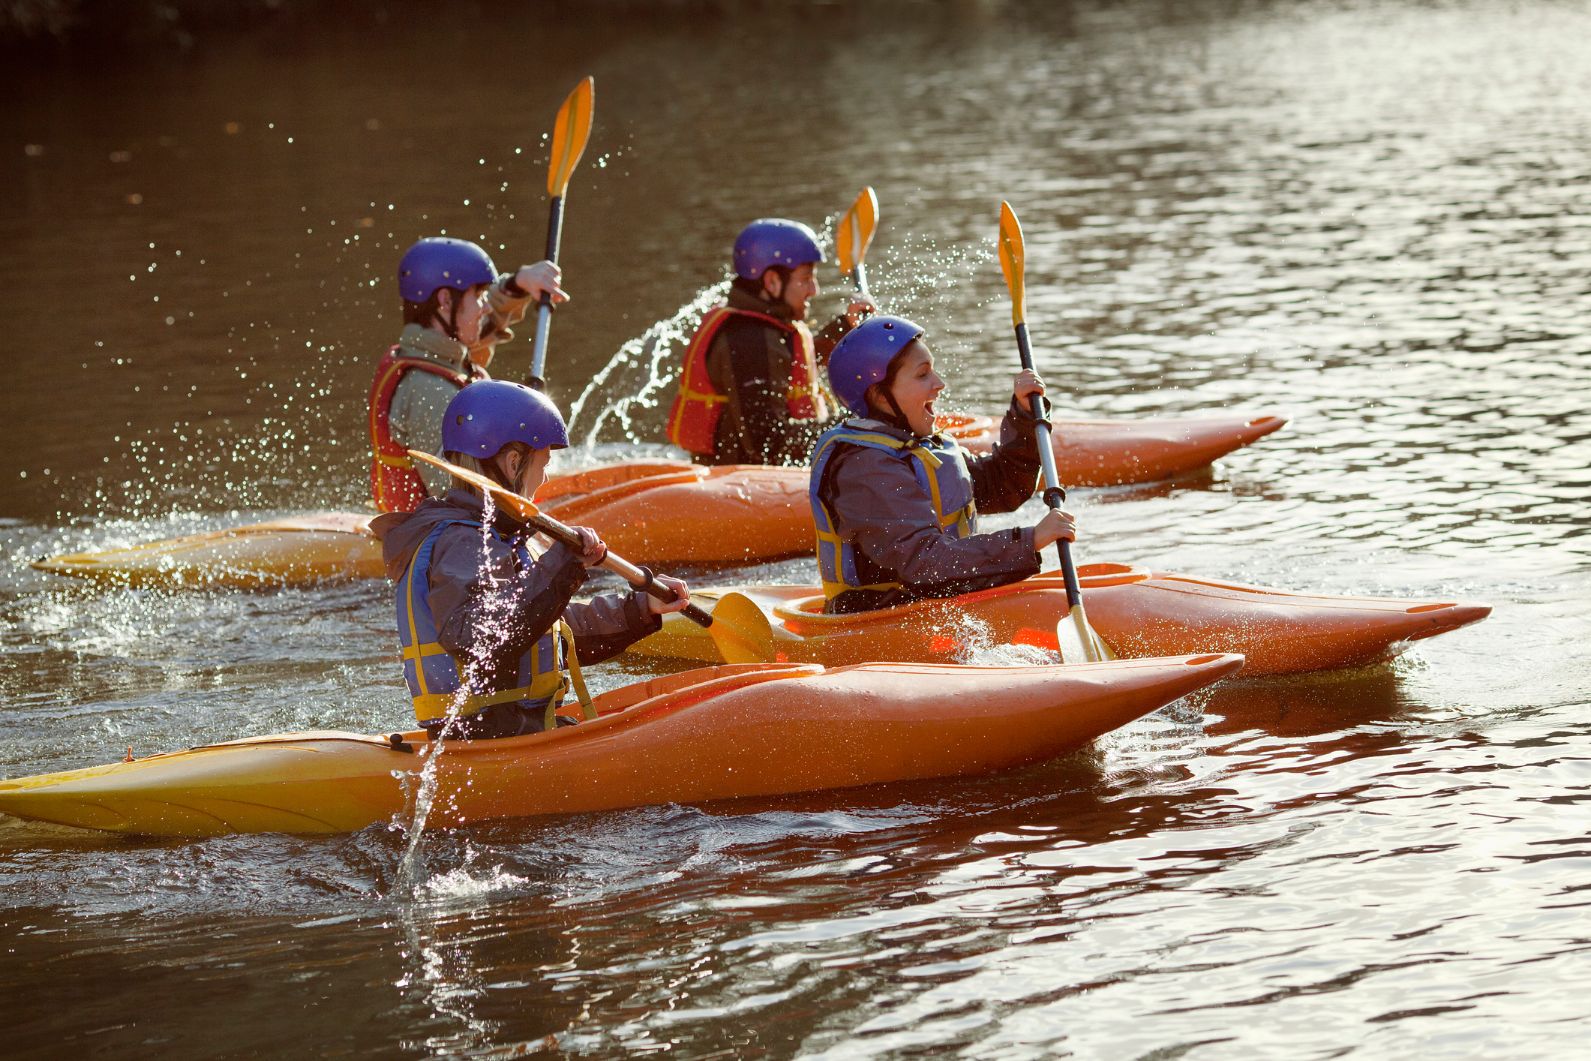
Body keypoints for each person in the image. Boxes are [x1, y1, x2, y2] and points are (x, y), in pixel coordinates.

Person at [372, 380, 689, 739]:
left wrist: (639, 608)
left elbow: (550, 631)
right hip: (488, 738)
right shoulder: (463, 543)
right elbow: (485, 641)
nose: (547, 477)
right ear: (512, 463)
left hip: (519, 727)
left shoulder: (499, 537)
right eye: (544, 463)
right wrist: (563, 564)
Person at [808, 315, 1078, 615]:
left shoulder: (920, 446)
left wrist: (1024, 416)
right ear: (879, 396)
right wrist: (1029, 540)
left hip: (934, 601)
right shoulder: (864, 469)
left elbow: (1003, 486)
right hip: (877, 616)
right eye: (923, 375)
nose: (939, 384)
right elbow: (925, 564)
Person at [368, 236, 569, 513]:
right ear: (444, 301)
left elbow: (484, 320)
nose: (486, 306)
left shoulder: (440, 351)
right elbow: (462, 499)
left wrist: (518, 284)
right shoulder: (430, 391)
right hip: (431, 538)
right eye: (479, 296)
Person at [666, 218, 875, 466]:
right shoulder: (748, 340)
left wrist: (845, 328)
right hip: (740, 483)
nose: (814, 289)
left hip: (748, 474)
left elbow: (788, 365)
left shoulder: (755, 326)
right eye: (806, 278)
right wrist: (854, 427)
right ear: (772, 281)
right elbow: (766, 443)